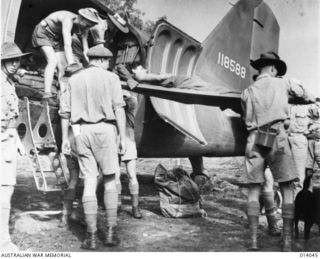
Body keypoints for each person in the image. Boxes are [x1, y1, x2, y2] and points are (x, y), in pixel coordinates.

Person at [241, 51, 315, 251]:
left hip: (254, 138)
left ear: (260, 68)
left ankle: (254, 241)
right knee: (287, 188)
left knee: (254, 190)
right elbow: (306, 95)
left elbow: (244, 117)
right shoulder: (284, 83)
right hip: (278, 138)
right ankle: (288, 242)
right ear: (274, 68)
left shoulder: (247, 90)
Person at [59, 44, 126, 250]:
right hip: (106, 131)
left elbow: (65, 113)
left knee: (88, 181)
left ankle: (92, 236)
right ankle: (111, 233)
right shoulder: (112, 78)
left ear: (90, 59)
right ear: (103, 60)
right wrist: (122, 137)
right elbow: (119, 109)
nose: (108, 64)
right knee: (109, 181)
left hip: (83, 133)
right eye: (108, 61)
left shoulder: (75, 79)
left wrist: (65, 139)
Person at [32, 8, 100, 99]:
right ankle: (47, 93)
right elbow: (67, 45)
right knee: (53, 61)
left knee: (63, 66)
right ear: (82, 18)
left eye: (90, 26)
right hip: (44, 33)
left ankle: (63, 96)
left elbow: (86, 50)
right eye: (87, 25)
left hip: (57, 38)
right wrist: (72, 64)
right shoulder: (68, 19)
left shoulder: (84, 28)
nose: (87, 28)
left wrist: (92, 64)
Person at [1, 42, 30, 251]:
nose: (13, 64)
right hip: (1, 139)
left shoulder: (9, 83)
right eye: (9, 60)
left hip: (8, 138)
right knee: (4, 189)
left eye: (16, 60)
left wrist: (17, 140)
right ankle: (3, 243)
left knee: (7, 190)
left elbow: (11, 115)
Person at [116, 90, 143, 219]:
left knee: (132, 174)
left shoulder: (132, 100)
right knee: (115, 175)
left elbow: (120, 105)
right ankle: (117, 204)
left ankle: (135, 207)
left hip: (127, 137)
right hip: (114, 136)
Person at [305, 99, 320, 190]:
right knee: (308, 167)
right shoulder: (308, 117)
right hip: (310, 141)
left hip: (318, 141)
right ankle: (308, 190)